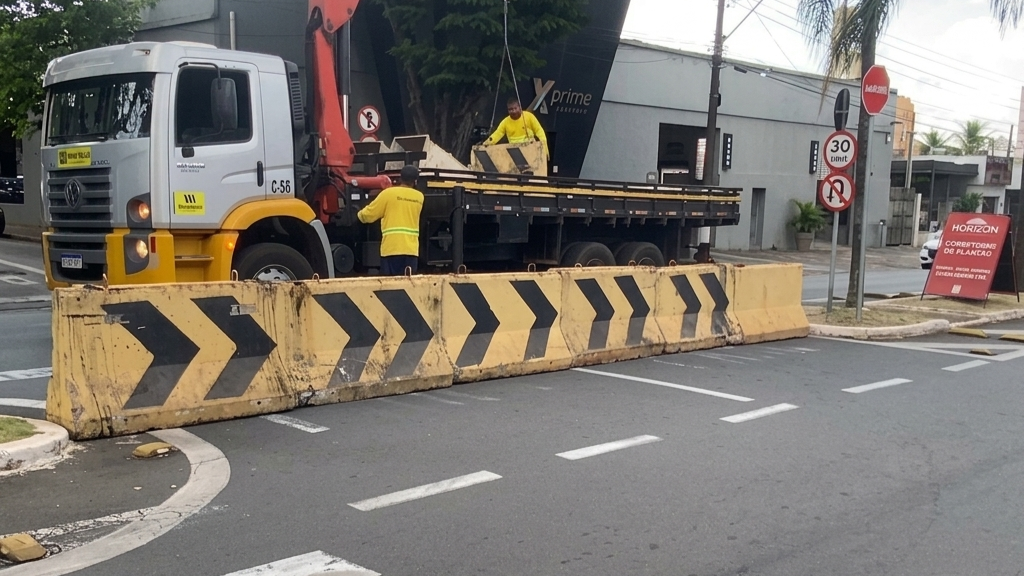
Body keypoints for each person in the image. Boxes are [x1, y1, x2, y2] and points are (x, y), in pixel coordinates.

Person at [357, 165, 424, 276]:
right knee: (408, 283)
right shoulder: (419, 197)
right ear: (415, 181)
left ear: (400, 178)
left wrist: (359, 216)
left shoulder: (388, 194)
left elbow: (369, 214)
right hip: (411, 251)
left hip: (391, 249)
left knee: (391, 283)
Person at [484, 97, 549, 158]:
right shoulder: (505, 122)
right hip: (515, 153)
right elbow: (497, 134)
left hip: (530, 150)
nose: (514, 111)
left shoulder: (529, 116)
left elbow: (539, 131)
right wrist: (486, 144)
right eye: (511, 109)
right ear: (508, 110)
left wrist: (544, 148)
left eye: (515, 108)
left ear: (520, 107)